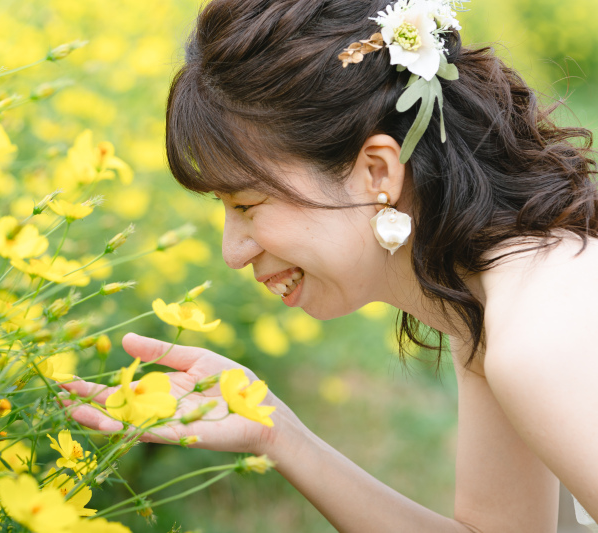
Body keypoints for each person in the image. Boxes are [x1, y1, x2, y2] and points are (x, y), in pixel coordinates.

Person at [62, 0, 598, 530]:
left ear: (378, 172)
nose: (233, 252)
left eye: (247, 205)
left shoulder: (537, 343)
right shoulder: (486, 305)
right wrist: (276, 434)